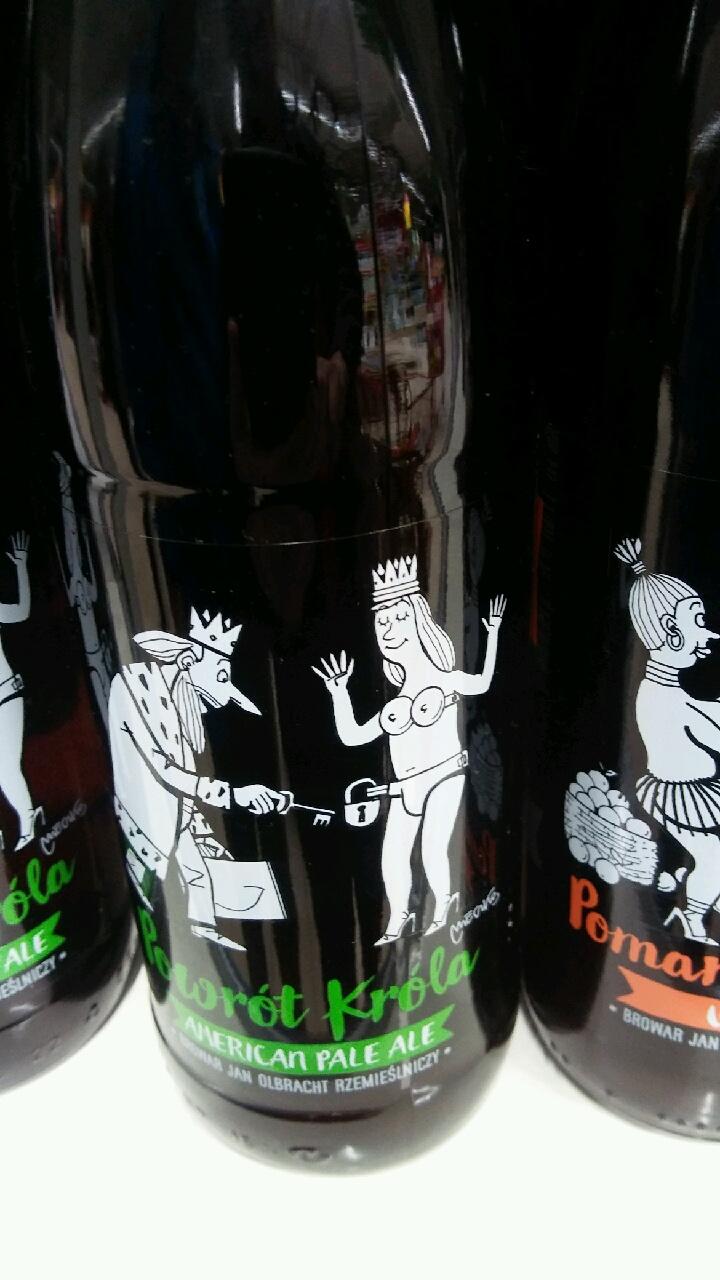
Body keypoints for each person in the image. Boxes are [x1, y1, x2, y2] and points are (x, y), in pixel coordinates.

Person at [314, 554, 505, 944]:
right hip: (404, 787)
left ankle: (443, 906)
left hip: (445, 775)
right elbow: (352, 736)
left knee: (434, 847)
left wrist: (494, 632)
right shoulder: (394, 703)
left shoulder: (447, 679)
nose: (388, 629)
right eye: (381, 621)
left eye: (399, 618)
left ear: (419, 620)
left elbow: (483, 683)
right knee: (392, 855)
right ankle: (397, 918)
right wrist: (338, 693)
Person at [108, 606, 286, 950]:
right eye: (220, 675)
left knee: (200, 872)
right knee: (168, 879)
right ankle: (194, 932)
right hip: (150, 816)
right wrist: (232, 795)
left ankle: (206, 928)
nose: (225, 691)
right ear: (189, 661)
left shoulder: (179, 702)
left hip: (180, 812)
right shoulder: (135, 689)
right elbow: (163, 768)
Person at [615, 536, 720, 944]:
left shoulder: (669, 690)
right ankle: (691, 916)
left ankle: (698, 897)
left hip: (697, 790)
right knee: (714, 858)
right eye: (699, 621)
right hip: (680, 794)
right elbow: (708, 731)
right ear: (671, 632)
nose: (708, 634)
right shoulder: (661, 695)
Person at [0, 532, 41, 851]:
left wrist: (21, 566)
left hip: (6, 695)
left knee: (7, 769)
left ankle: (29, 824)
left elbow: (22, 612)